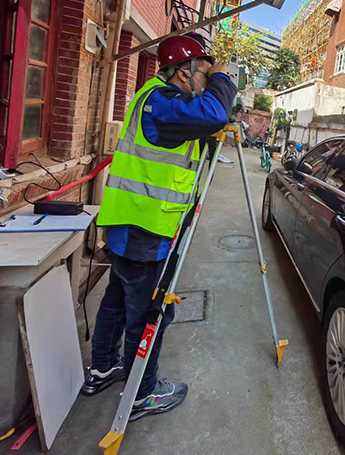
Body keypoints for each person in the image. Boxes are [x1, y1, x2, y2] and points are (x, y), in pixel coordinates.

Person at [82, 35, 236, 421]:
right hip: (145, 229)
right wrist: (224, 80)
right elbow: (215, 114)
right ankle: (141, 395)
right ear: (183, 72)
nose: (206, 78)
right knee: (147, 315)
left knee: (116, 300)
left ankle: (102, 367)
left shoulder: (156, 98)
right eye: (203, 71)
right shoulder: (163, 103)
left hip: (128, 223)